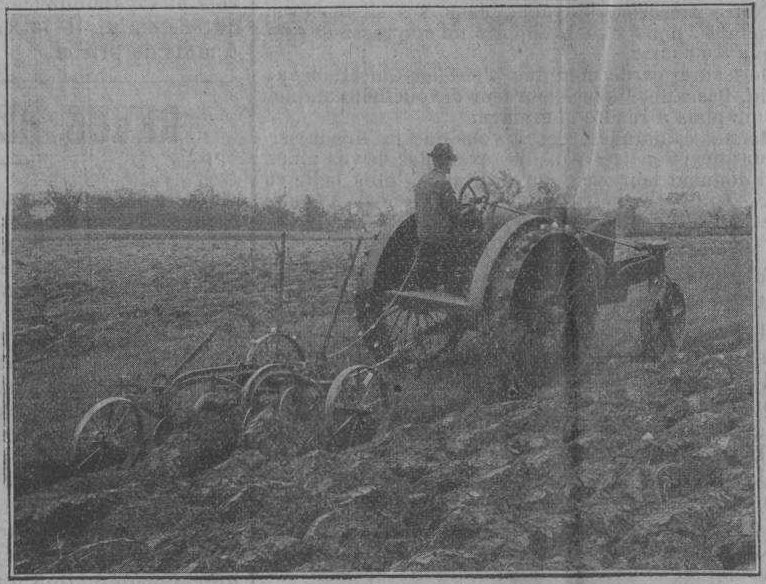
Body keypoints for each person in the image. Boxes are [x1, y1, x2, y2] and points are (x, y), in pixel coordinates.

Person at [413, 143, 461, 291]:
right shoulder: (443, 183)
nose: (450, 165)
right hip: (442, 237)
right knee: (468, 240)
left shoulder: (422, 181)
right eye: (449, 161)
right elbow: (454, 213)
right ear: (444, 161)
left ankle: (425, 284)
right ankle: (454, 286)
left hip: (423, 235)